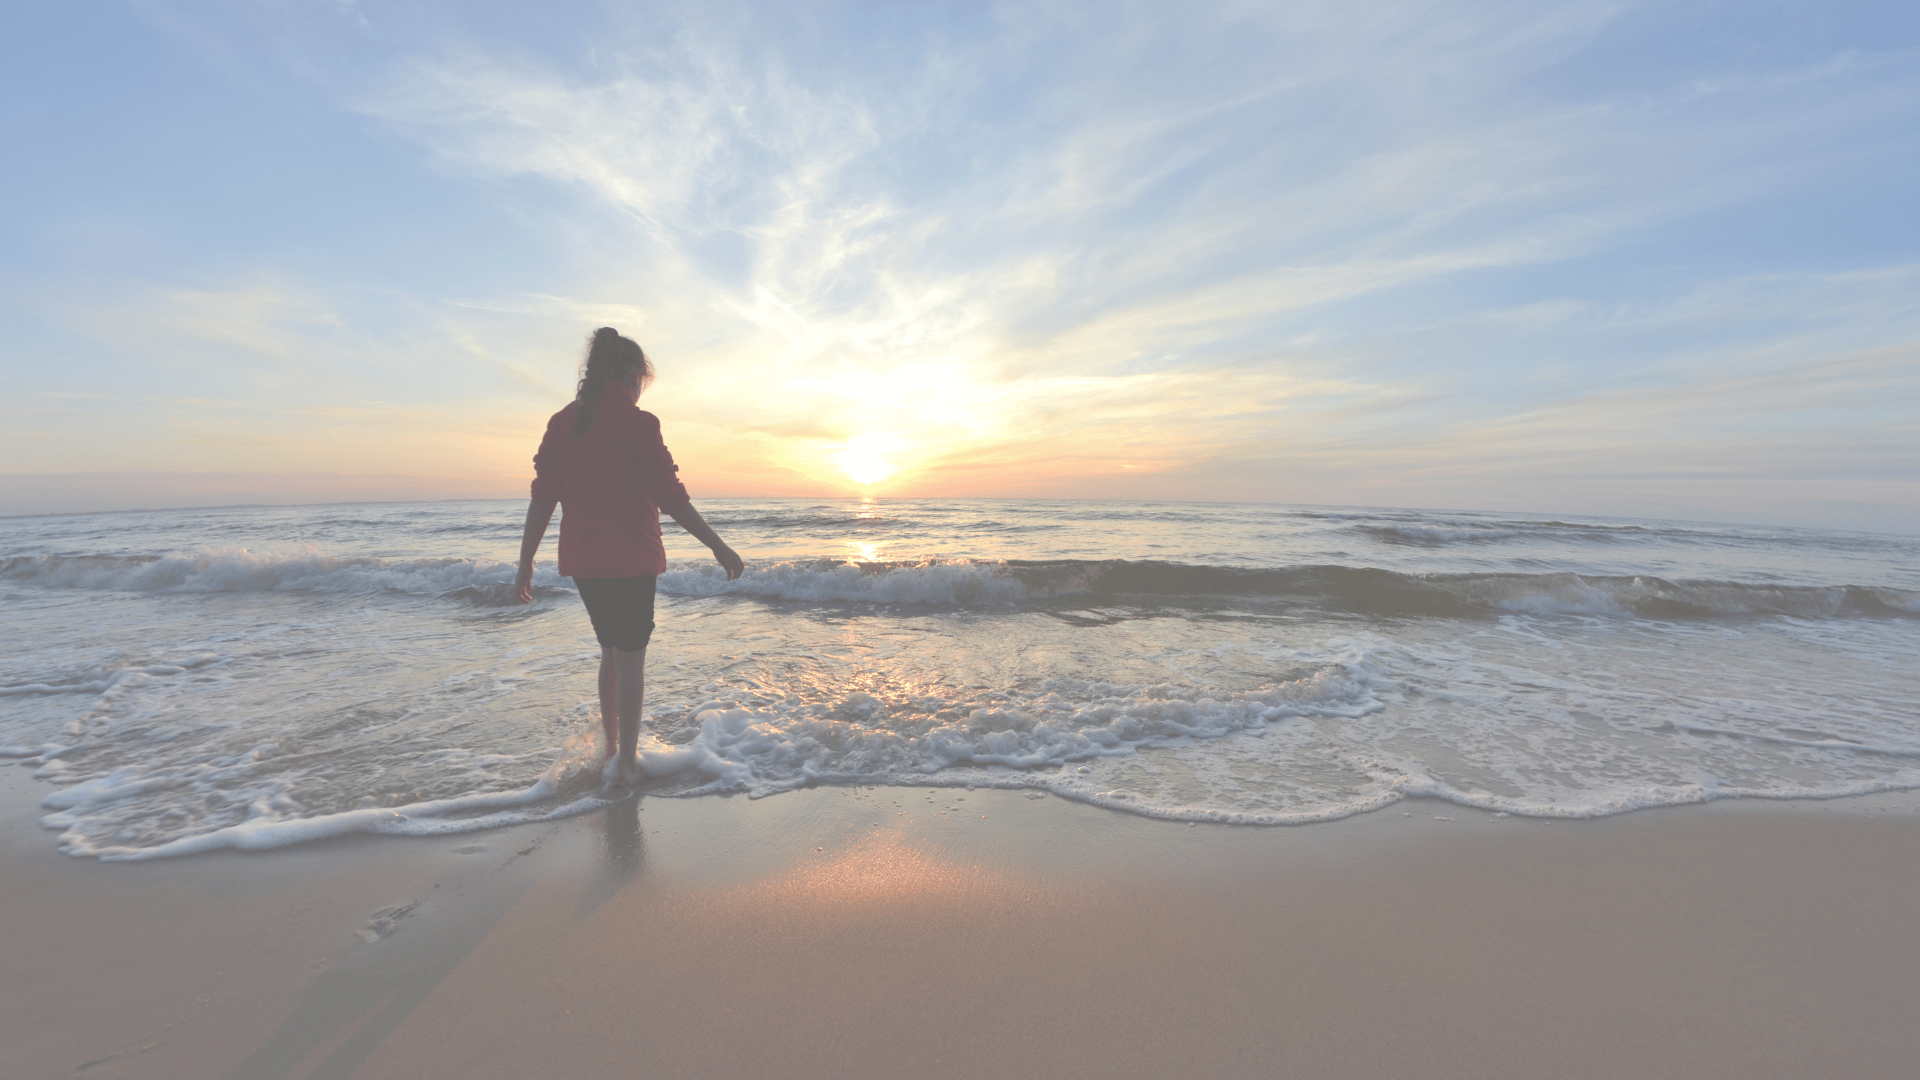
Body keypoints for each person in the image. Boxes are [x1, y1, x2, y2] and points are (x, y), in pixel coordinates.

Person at [513, 327, 744, 785]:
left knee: (610, 652)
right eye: (642, 379)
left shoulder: (563, 422)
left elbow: (543, 497)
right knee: (630, 658)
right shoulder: (638, 425)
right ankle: (628, 763)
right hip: (632, 561)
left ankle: (614, 748)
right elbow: (670, 496)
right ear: (632, 377)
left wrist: (526, 561)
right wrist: (718, 545)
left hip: (584, 563)